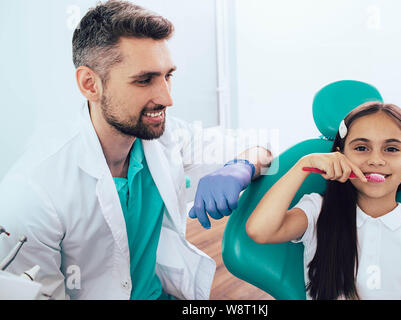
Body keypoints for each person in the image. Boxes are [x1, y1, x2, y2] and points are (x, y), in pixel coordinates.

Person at [0, 0, 271, 299]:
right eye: (144, 80)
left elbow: (261, 149)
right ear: (90, 84)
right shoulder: (32, 193)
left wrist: (240, 167)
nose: (167, 98)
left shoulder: (168, 137)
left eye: (168, 76)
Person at [246, 102, 401, 300]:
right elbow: (260, 230)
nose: (376, 160)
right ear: (340, 156)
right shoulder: (318, 211)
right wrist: (304, 164)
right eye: (362, 148)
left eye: (391, 149)